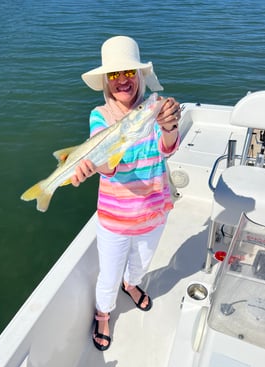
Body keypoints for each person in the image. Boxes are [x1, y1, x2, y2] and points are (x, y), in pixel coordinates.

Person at [72, 36, 181, 351]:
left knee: (141, 264)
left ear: (140, 76)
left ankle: (131, 285)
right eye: (115, 74)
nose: (122, 80)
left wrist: (170, 125)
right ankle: (103, 313)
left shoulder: (155, 109)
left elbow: (167, 148)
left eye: (129, 73)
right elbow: (106, 164)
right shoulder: (100, 116)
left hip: (155, 211)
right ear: (106, 81)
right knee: (109, 275)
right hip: (116, 218)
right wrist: (93, 166)